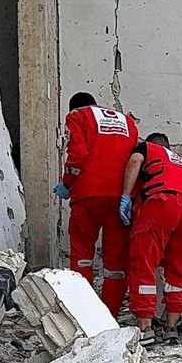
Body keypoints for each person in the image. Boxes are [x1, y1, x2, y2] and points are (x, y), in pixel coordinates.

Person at [53, 92, 138, 317]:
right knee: (116, 262)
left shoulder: (78, 116)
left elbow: (78, 155)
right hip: (121, 197)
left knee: (82, 255)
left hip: (88, 195)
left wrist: (67, 183)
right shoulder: (127, 122)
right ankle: (109, 315)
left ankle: (84, 313)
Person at [120, 133, 182, 345]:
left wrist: (126, 195)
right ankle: (171, 328)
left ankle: (146, 328)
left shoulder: (148, 149)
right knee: (180, 269)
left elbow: (135, 160)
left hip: (162, 200)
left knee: (144, 262)